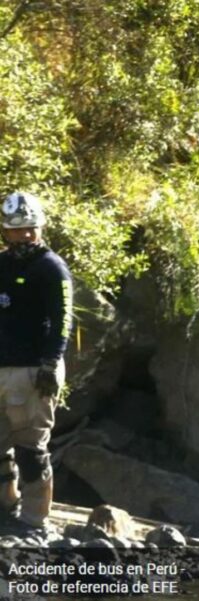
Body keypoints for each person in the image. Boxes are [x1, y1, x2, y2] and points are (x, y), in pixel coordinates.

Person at [0, 192, 72, 531]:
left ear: (40, 227)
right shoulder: (2, 264)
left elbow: (62, 319)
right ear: (5, 231)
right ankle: (6, 508)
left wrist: (50, 363)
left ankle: (34, 521)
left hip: (34, 370)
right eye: (17, 230)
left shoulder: (51, 267)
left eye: (30, 228)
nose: (25, 235)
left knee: (31, 448)